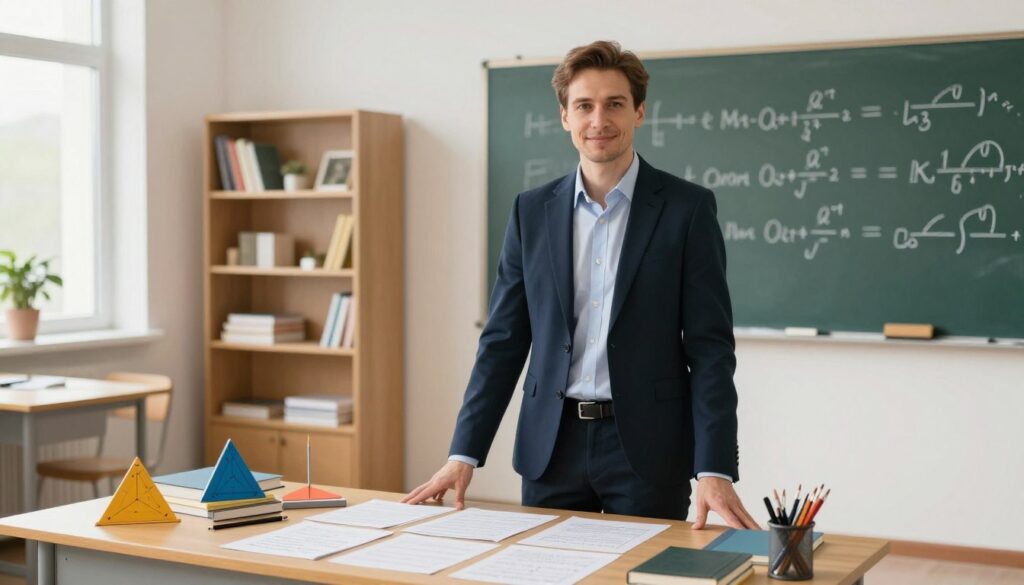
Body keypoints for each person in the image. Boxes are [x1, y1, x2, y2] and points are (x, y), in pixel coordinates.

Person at [403, 40, 757, 530]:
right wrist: (464, 452)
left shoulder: (687, 210)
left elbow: (711, 349)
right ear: (565, 116)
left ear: (639, 111)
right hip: (552, 447)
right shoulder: (531, 211)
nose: (599, 121)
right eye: (584, 106)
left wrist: (713, 466)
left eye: (614, 104)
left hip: (649, 449)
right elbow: (503, 341)